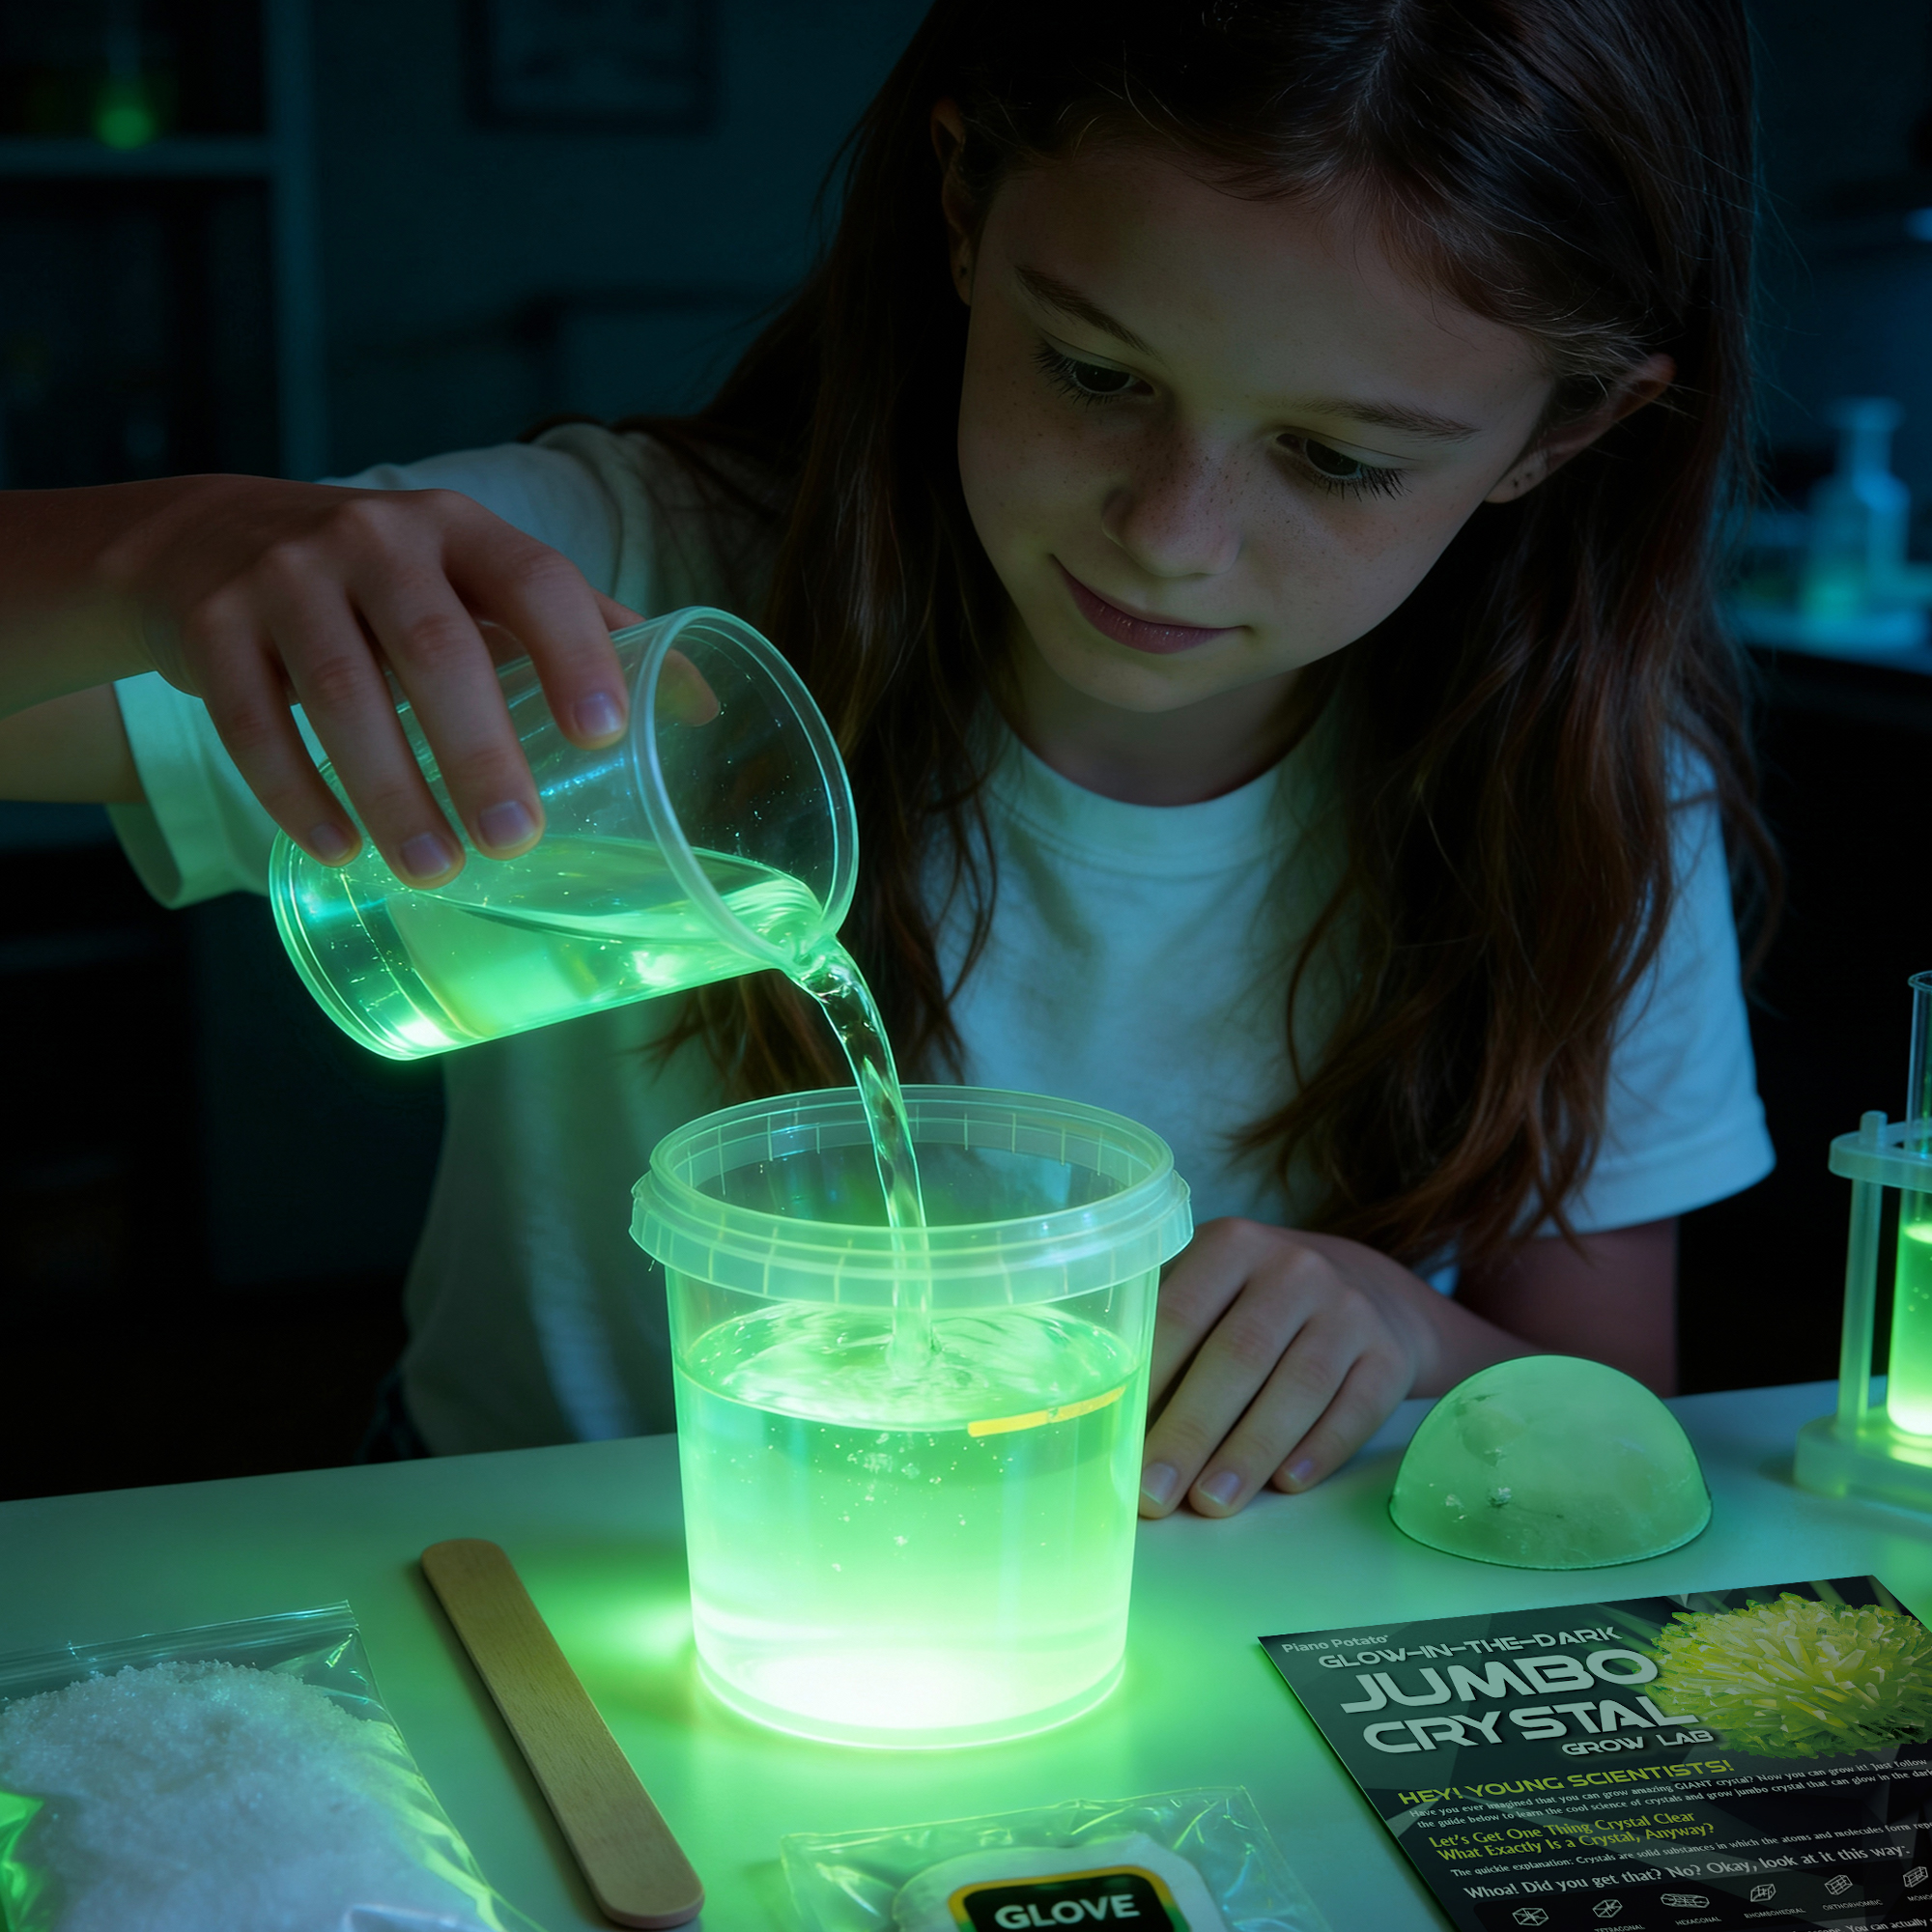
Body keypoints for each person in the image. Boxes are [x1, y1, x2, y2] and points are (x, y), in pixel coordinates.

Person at [0, 0, 1774, 1516]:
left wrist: (1405, 1327)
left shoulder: (1587, 795)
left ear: (1562, 433)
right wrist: (149, 563)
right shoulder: (607, 600)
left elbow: (1615, 1408)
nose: (1171, 535)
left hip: (1162, 1615)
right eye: (1095, 372)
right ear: (963, 210)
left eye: (1340, 460)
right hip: (517, 1572)